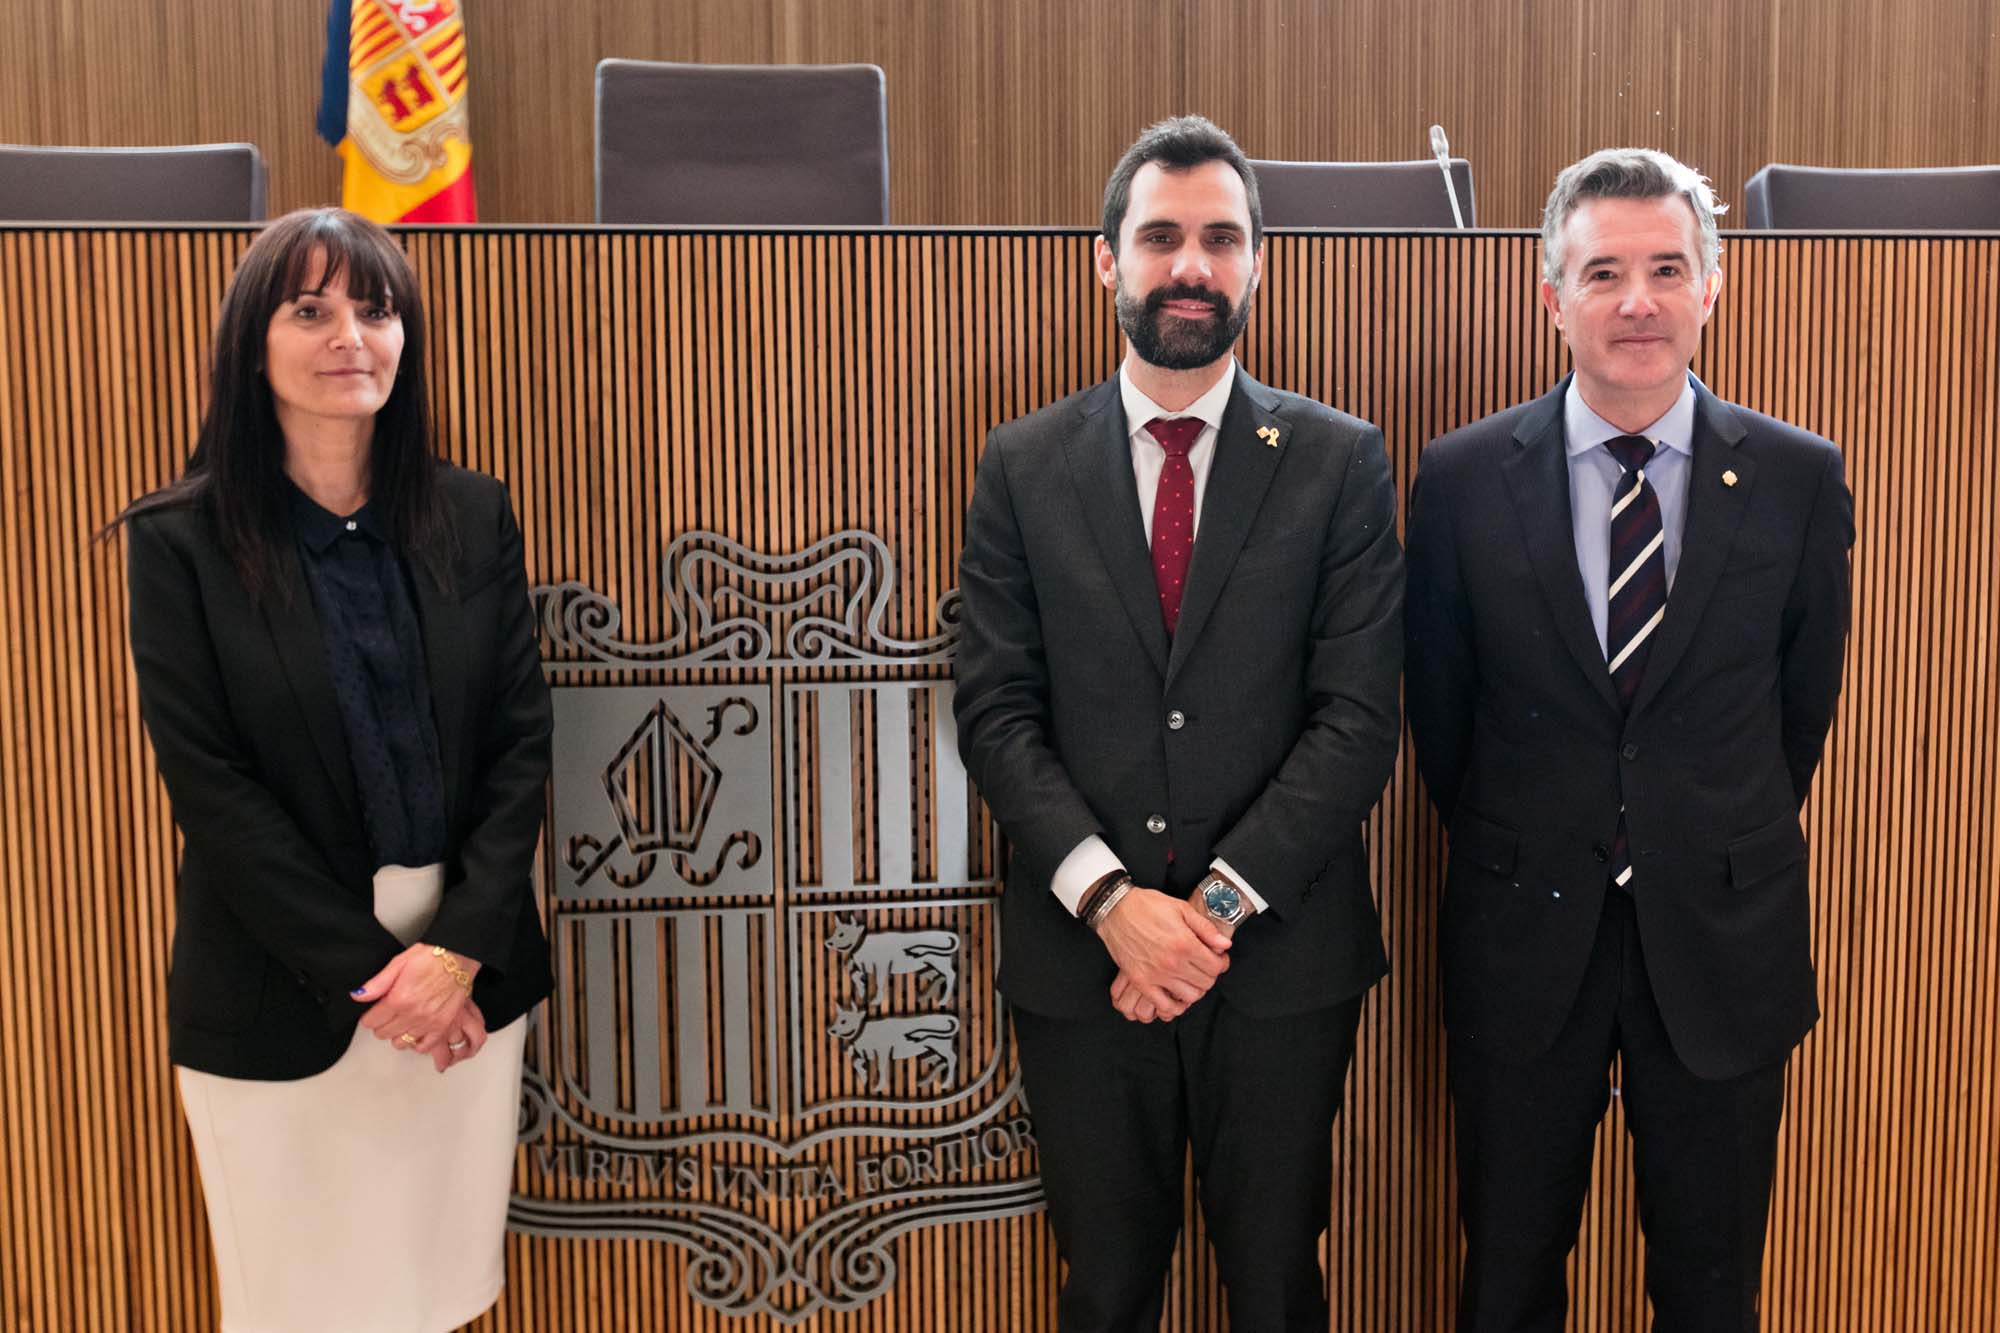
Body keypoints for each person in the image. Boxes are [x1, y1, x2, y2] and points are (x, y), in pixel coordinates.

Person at [952, 116, 1403, 1332]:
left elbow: (1357, 719)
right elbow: (995, 711)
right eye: (1159, 238)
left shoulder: (1337, 461)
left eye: (1218, 238)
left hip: (1279, 961)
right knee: (1105, 1291)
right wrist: (1112, 905)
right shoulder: (1021, 465)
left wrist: (1205, 918)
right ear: (1107, 260)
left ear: (1256, 262)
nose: (1189, 266)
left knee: (1276, 1286)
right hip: (1082, 964)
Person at [1404, 148, 1853, 1332]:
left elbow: (1796, 712)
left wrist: (1686, 825)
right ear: (1551, 298)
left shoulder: (1797, 478)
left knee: (1710, 1289)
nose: (1636, 300)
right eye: (1601, 271)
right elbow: (1441, 717)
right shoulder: (1459, 480)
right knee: (1506, 1278)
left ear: (1711, 286)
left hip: (1719, 934)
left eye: (1664, 268)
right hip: (1520, 933)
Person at [114, 208, 552, 1332]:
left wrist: (456, 952)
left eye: (376, 309)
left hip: (465, 979)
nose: (350, 336)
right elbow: (212, 790)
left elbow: (518, 744)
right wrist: (379, 980)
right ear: (251, 344)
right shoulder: (180, 540)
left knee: (438, 1292)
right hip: (282, 983)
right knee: (297, 1305)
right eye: (310, 311)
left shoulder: (472, 513)